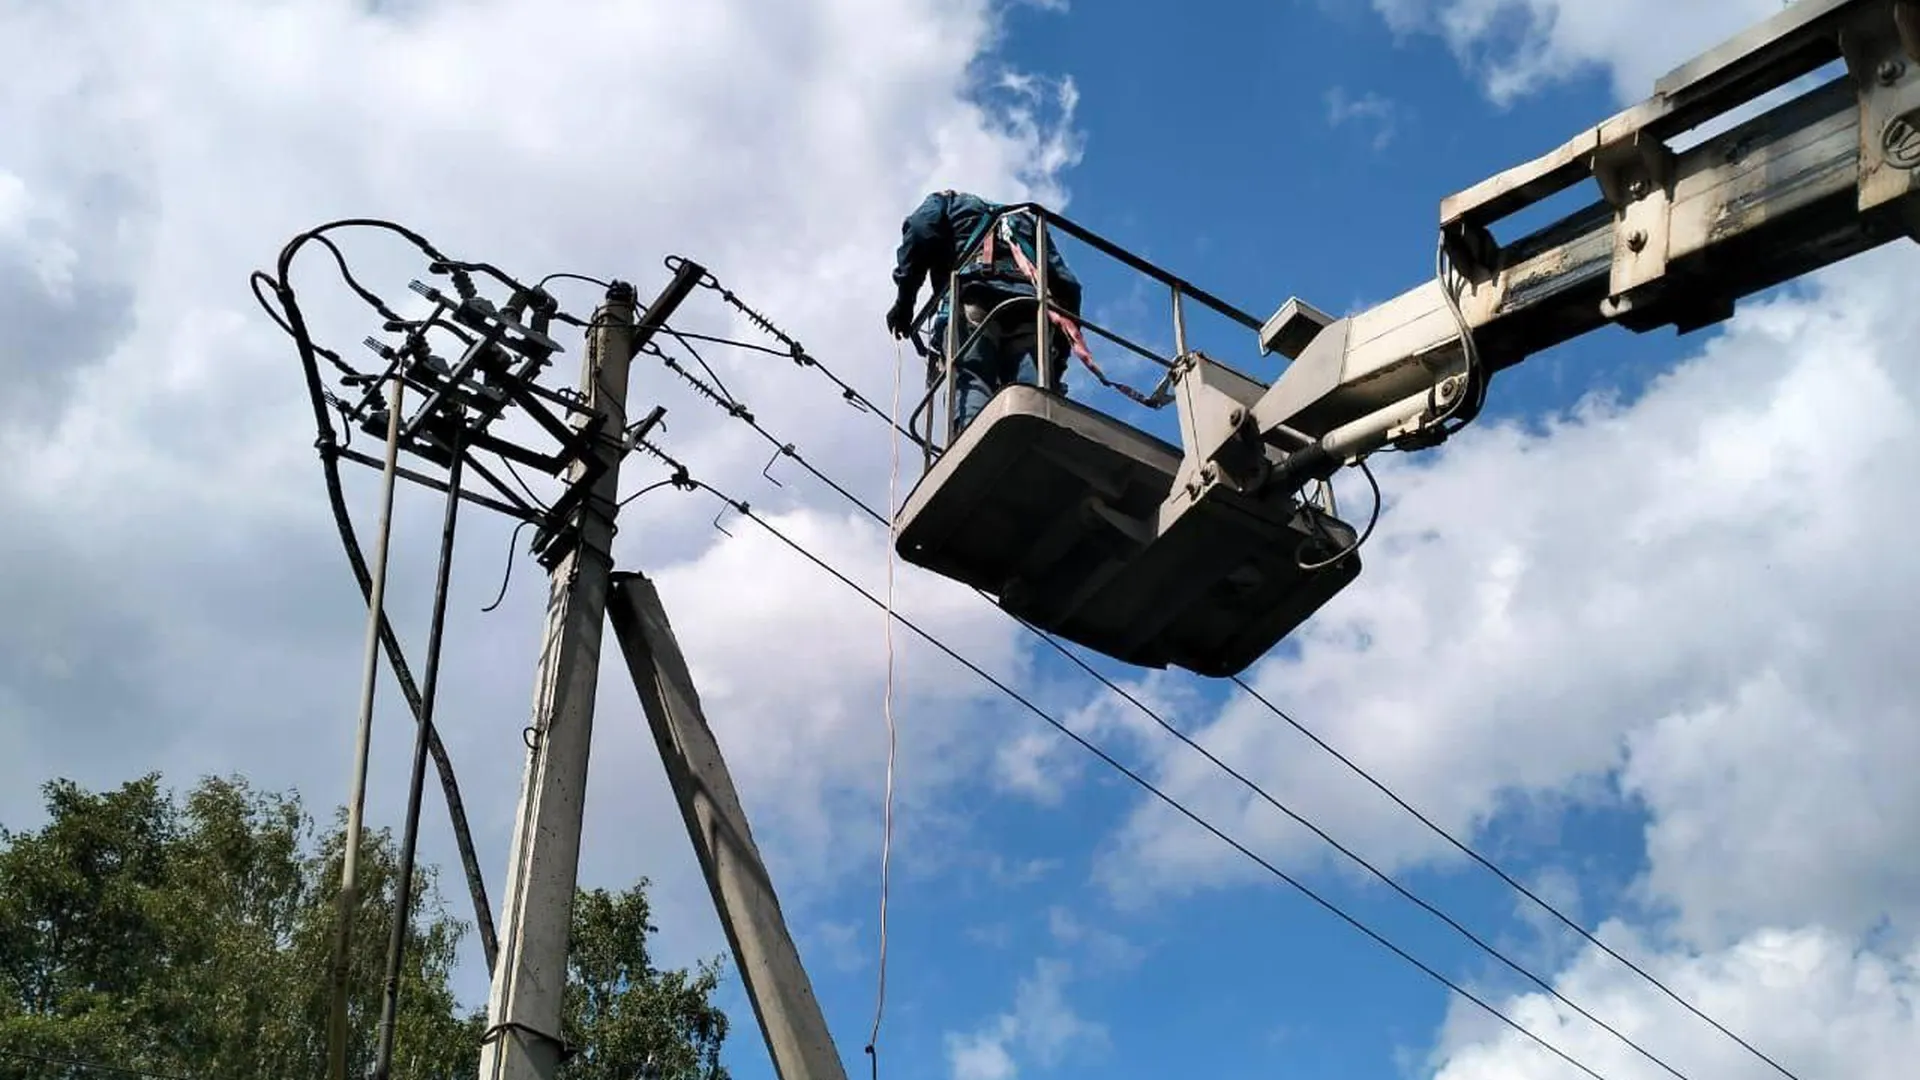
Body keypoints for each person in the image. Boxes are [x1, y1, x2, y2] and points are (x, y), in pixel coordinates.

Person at [886, 190, 1088, 433]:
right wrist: (1059, 356)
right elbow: (1065, 283)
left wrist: (905, 303)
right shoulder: (1026, 219)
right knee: (1033, 385)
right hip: (1028, 306)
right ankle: (1037, 436)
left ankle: (974, 439)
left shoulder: (946, 201)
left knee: (973, 377)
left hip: (974, 295)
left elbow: (921, 230)